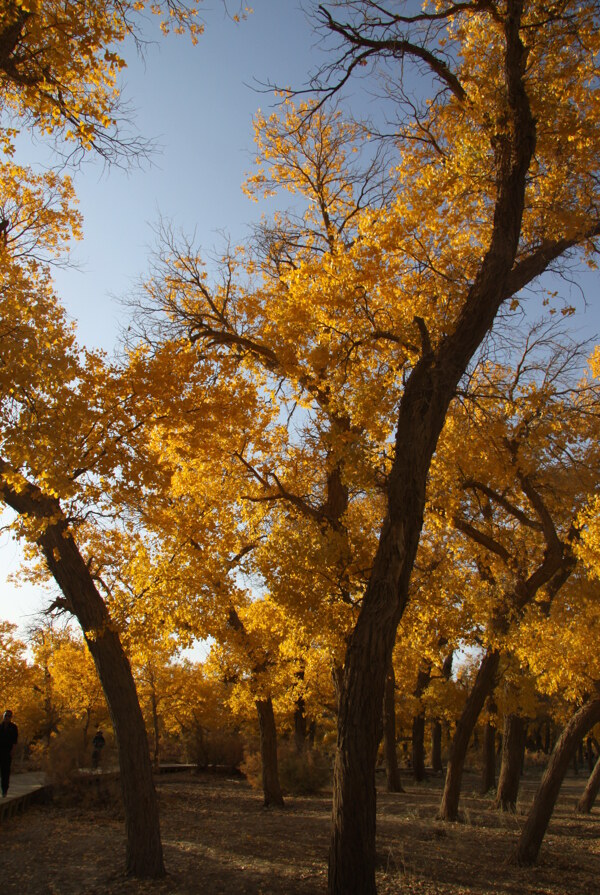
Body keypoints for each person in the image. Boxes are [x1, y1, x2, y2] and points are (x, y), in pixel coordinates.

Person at [0, 710, 18, 797]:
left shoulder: (13, 727)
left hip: (7, 752)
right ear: (3, 716)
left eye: (9, 716)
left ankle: (4, 790)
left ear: (11, 718)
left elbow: (15, 741)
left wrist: (13, 751)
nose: (7, 717)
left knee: (5, 772)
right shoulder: (0, 727)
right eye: (6, 716)